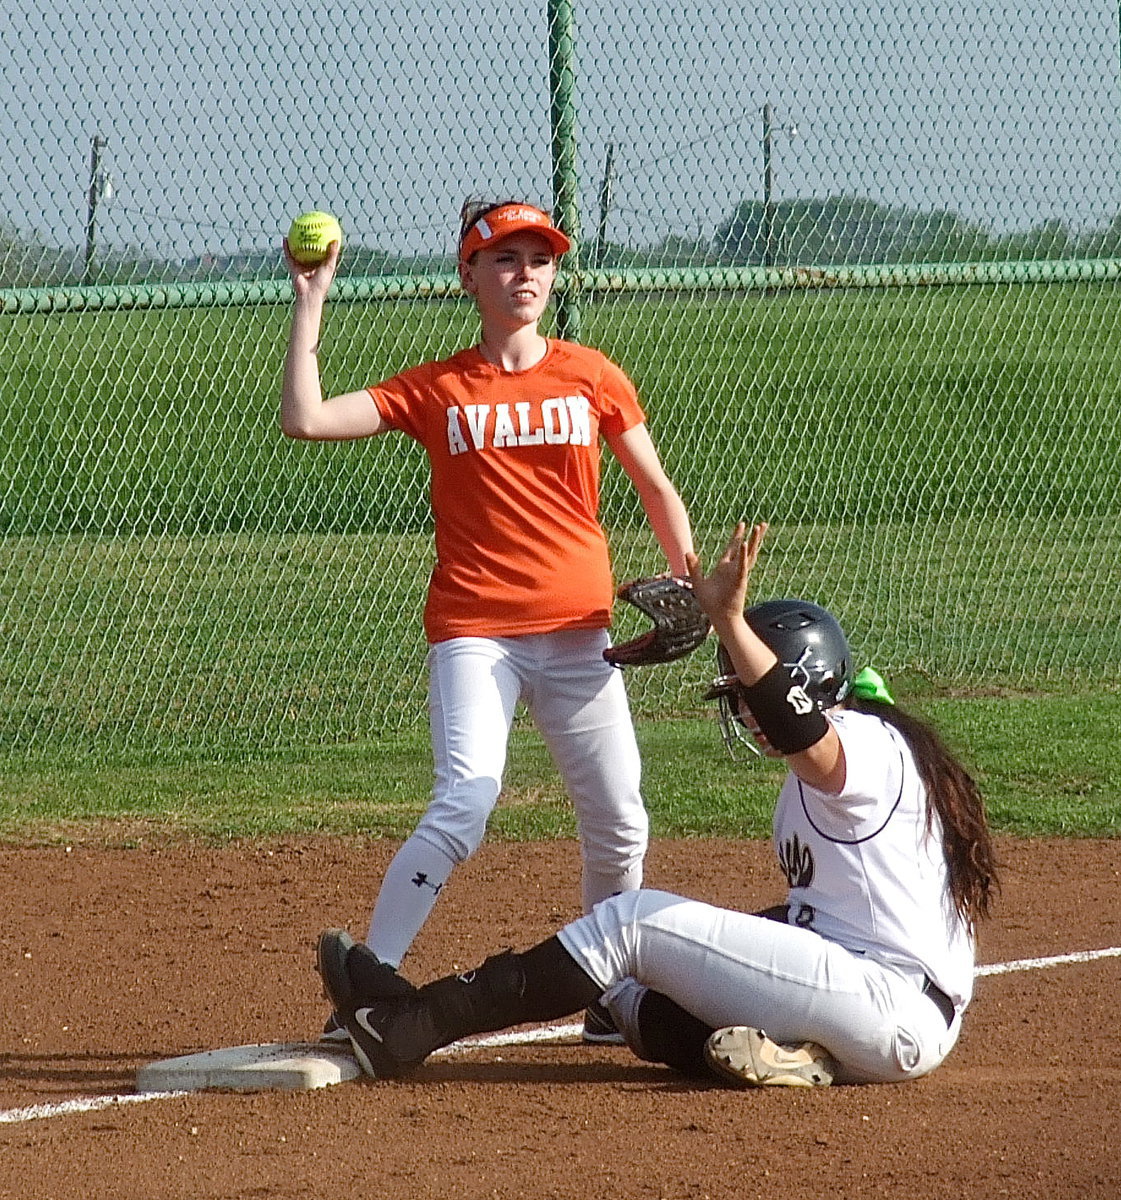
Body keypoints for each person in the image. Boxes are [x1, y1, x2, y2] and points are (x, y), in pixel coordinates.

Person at [313, 521, 1000, 1088]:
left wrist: (729, 621)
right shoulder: (832, 770)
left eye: (744, 691)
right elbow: (806, 917)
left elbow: (805, 737)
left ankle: (408, 1025)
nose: (742, 710)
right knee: (633, 999)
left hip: (889, 1008)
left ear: (800, 683)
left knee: (628, 923)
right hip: (860, 1003)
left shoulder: (865, 744)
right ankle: (794, 1057)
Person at [281, 199, 695, 1043]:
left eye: (539, 259)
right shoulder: (438, 387)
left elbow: (654, 487)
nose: (525, 274)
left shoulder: (591, 374)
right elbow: (307, 418)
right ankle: (368, 986)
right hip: (477, 632)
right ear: (468, 274)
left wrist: (691, 584)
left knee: (620, 818)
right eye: (504, 259)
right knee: (465, 801)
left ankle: (607, 992)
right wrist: (310, 301)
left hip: (582, 635)